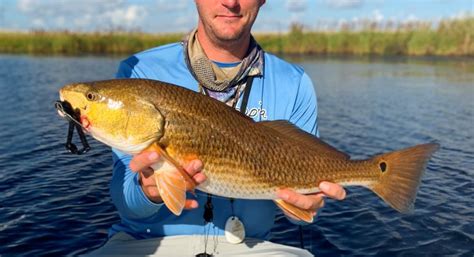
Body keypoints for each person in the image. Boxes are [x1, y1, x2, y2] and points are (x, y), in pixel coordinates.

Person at [90, 0, 346, 256]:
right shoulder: (140, 72)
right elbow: (126, 202)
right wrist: (149, 192)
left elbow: (302, 215)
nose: (230, 2)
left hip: (252, 246)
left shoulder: (294, 83)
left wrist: (308, 205)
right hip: (146, 243)